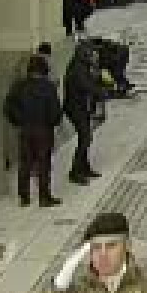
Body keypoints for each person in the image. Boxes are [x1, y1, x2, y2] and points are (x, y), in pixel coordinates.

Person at [2, 54, 61, 207]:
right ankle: (44, 196)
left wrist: (18, 121)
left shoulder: (19, 86)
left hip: (25, 129)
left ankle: (24, 197)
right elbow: (55, 111)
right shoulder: (48, 87)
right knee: (44, 163)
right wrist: (53, 122)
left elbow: (8, 107)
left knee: (25, 163)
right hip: (43, 129)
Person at [61, 42, 104, 185]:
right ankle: (75, 171)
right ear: (85, 55)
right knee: (85, 138)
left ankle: (84, 167)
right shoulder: (78, 70)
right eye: (92, 54)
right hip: (75, 109)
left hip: (81, 107)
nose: (95, 56)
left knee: (86, 138)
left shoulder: (83, 66)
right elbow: (88, 87)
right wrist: (106, 92)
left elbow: (92, 84)